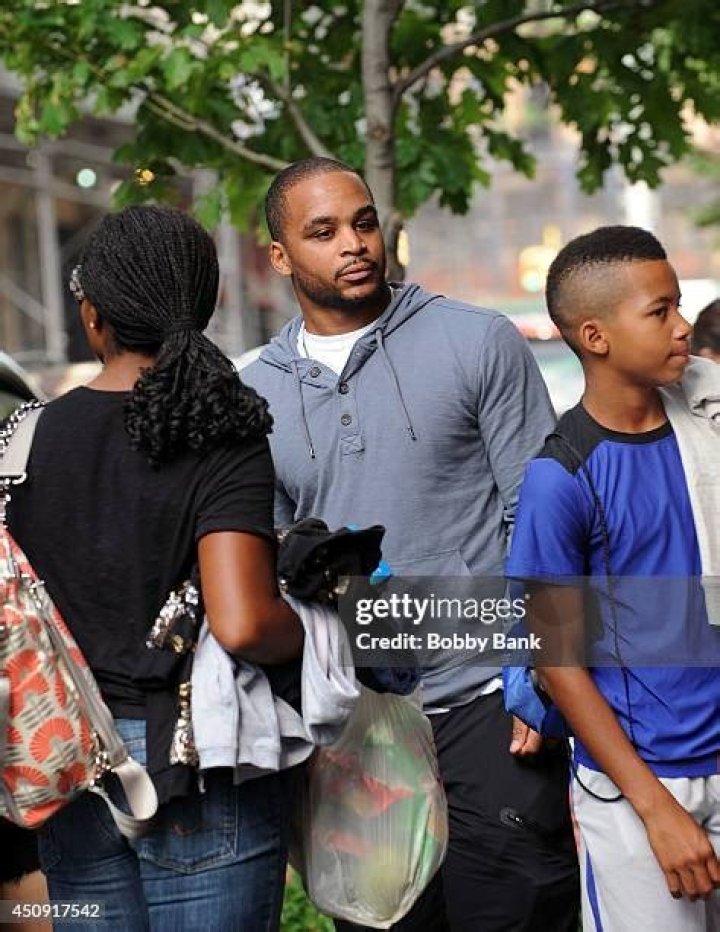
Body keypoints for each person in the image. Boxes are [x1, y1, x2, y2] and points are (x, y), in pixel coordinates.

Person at [242, 157, 580, 932]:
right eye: (322, 232)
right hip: (358, 726)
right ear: (281, 257)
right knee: (383, 923)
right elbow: (274, 559)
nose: (353, 244)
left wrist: (543, 676)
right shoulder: (256, 392)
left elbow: (540, 519)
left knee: (520, 914)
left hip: (491, 704)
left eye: (362, 223)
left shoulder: (477, 340)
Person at [7, 204, 304, 931]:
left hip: (69, 763)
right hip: (195, 764)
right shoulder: (221, 432)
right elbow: (242, 622)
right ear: (206, 305)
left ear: (92, 314)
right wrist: (314, 632)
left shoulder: (25, 439)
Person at [506, 225, 720, 930]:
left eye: (679, 305)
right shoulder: (560, 477)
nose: (682, 326)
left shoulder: (708, 428)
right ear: (595, 337)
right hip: (643, 788)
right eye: (659, 311)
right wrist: (656, 811)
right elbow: (559, 664)